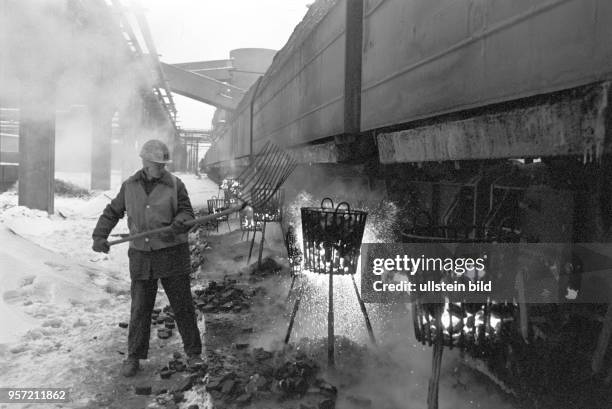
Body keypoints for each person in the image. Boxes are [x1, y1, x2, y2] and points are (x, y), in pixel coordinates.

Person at [91, 139, 203, 377]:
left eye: (163, 164)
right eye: (156, 164)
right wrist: (100, 235)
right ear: (144, 162)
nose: (161, 168)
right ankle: (133, 357)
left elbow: (187, 211)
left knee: (182, 305)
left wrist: (181, 221)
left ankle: (194, 354)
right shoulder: (129, 186)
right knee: (140, 308)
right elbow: (112, 212)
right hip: (142, 255)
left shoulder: (176, 184)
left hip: (172, 253)